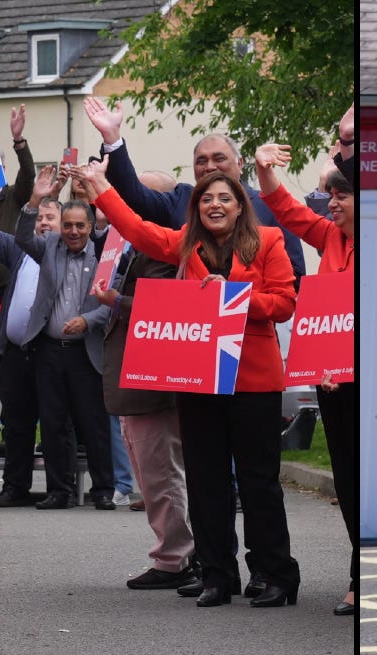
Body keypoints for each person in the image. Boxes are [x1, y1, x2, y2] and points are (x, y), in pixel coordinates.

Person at [75, 158, 299, 607]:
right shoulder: (183, 245)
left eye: (224, 198)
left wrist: (234, 298)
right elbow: (137, 229)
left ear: (240, 207)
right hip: (200, 378)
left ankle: (273, 574)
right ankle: (217, 574)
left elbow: (284, 303)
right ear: (196, 209)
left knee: (259, 483)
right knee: (205, 480)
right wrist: (99, 186)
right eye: (206, 199)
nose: (215, 205)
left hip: (253, 381)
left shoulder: (269, 241)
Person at [255, 139, 358, 618]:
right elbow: (285, 208)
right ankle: (360, 571)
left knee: (363, 477)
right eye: (330, 195)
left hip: (362, 380)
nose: (331, 202)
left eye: (341, 195)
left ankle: (363, 577)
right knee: (346, 480)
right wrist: (262, 169)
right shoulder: (330, 236)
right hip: (332, 380)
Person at [81, 96, 307, 276]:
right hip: (191, 327)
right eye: (201, 161)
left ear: (239, 164)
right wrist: (112, 137)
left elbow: (294, 278)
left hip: (251, 328)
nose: (210, 167)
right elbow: (135, 201)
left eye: (219, 158)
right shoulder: (182, 200)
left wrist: (231, 296)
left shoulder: (270, 207)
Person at [90, 239, 195, 588]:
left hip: (152, 379)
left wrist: (116, 302)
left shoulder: (163, 252)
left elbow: (162, 307)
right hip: (133, 378)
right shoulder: (136, 248)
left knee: (161, 474)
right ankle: (174, 554)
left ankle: (176, 559)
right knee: (150, 475)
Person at [14, 163, 118, 510]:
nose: (73, 232)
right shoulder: (50, 246)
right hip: (49, 350)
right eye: (68, 225)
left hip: (85, 351)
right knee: (54, 422)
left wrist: (88, 321)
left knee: (94, 422)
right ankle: (59, 490)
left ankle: (104, 489)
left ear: (90, 228)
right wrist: (36, 200)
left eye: (80, 226)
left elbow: (111, 303)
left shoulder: (105, 255)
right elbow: (23, 238)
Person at [0, 109, 44, 507]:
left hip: (6, 299)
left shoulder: (12, 198)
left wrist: (19, 143)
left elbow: (28, 179)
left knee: (18, 394)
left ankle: (30, 481)